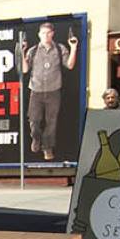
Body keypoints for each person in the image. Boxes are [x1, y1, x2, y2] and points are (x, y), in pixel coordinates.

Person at [22, 21, 78, 160]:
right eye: (43, 33)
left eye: (48, 33)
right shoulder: (33, 50)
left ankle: (47, 148)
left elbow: (70, 65)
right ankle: (36, 138)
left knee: (51, 122)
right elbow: (24, 69)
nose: (46, 36)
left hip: (53, 91)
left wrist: (74, 48)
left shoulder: (59, 49)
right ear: (39, 34)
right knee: (34, 120)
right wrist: (22, 51)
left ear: (52, 34)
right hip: (36, 90)